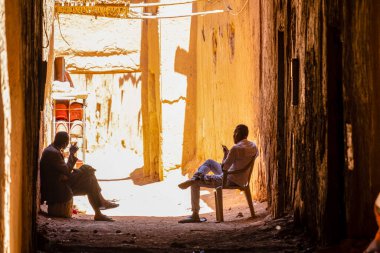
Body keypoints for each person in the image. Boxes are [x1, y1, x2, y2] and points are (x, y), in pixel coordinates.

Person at [178, 124, 258, 223]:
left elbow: (224, 168)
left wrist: (226, 155)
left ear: (237, 134)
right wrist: (229, 155)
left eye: (234, 133)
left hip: (228, 179)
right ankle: (197, 176)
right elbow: (242, 161)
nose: (233, 136)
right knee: (210, 162)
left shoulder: (235, 148)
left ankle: (195, 214)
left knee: (195, 183)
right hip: (241, 178)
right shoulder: (254, 146)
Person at [40, 131, 118, 221]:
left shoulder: (52, 149)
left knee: (89, 180)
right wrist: (72, 154)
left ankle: (99, 212)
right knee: (87, 170)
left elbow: (62, 171)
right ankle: (101, 205)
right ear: (65, 143)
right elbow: (66, 170)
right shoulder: (53, 152)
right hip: (57, 189)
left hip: (59, 183)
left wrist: (67, 173)